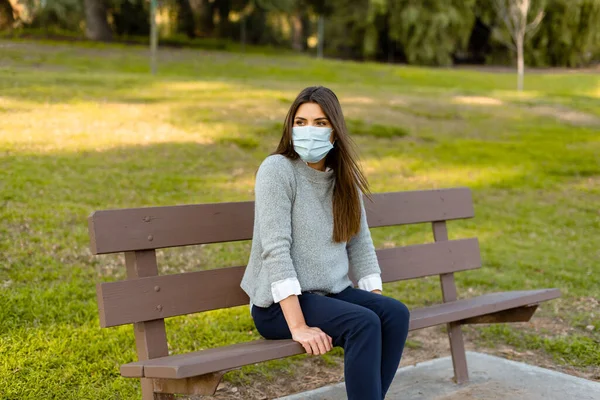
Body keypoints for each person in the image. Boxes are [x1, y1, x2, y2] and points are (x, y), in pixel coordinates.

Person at [240, 86, 410, 400]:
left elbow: (360, 244)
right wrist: (299, 327)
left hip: (332, 294)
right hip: (279, 306)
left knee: (393, 314)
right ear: (290, 127)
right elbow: (274, 249)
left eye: (320, 123)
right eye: (301, 122)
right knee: (363, 323)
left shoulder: (343, 180)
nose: (309, 131)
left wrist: (376, 300)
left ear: (335, 131)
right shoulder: (277, 170)